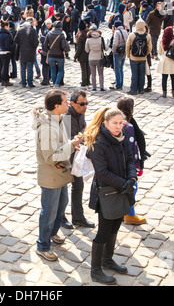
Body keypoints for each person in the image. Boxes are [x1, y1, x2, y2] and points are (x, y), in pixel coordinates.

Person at [84, 106, 137, 284]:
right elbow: (102, 172)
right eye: (114, 123)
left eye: (120, 123)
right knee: (104, 231)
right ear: (105, 124)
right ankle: (96, 270)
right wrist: (124, 183)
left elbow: (130, 158)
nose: (118, 126)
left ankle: (108, 259)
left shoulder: (121, 139)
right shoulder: (99, 143)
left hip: (122, 189)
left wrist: (132, 177)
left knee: (116, 226)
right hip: (107, 192)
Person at [31, 89, 82, 261]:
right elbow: (51, 156)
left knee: (61, 205)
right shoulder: (47, 128)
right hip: (51, 174)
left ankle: (52, 233)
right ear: (56, 106)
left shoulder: (59, 119)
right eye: (65, 101)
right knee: (50, 211)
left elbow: (61, 143)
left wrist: (71, 143)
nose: (68, 104)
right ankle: (43, 245)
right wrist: (72, 146)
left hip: (60, 173)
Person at [62, 90, 95, 229]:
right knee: (61, 190)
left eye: (86, 103)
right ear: (72, 103)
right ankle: (60, 217)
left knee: (78, 186)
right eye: (82, 104)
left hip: (77, 157)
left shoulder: (81, 114)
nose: (85, 106)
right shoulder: (66, 117)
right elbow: (67, 140)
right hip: (65, 158)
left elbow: (83, 131)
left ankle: (78, 217)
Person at [116, 97, 148, 225]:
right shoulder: (128, 127)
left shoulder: (115, 122)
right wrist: (137, 164)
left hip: (117, 162)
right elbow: (131, 148)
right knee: (132, 187)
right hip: (127, 163)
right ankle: (129, 214)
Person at [126, 19, 152, 95]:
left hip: (133, 57)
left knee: (134, 73)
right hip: (143, 58)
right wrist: (145, 54)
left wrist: (128, 55)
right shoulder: (147, 36)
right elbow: (150, 48)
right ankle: (141, 89)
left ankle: (134, 89)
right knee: (142, 74)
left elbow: (127, 46)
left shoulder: (132, 35)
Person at [157, 26, 174, 98]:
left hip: (164, 60)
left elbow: (160, 53)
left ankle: (164, 93)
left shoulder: (162, 41)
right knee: (173, 77)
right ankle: (173, 93)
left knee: (164, 77)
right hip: (172, 60)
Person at [44, 21, 70, 88]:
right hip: (59, 55)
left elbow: (45, 44)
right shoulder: (61, 35)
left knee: (53, 70)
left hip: (51, 55)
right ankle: (56, 83)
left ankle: (54, 83)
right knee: (60, 70)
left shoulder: (49, 33)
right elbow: (64, 46)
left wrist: (49, 48)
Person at [14, 17, 38, 88]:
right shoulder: (33, 31)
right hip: (30, 52)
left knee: (23, 68)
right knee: (30, 68)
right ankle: (30, 83)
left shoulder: (20, 30)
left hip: (22, 51)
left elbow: (16, 40)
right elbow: (36, 43)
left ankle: (23, 83)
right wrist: (33, 48)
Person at [85, 24, 105, 92]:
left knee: (93, 74)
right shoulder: (101, 38)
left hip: (91, 57)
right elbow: (105, 48)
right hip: (100, 57)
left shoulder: (88, 39)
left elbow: (86, 50)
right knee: (100, 74)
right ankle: (101, 87)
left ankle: (94, 88)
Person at [110, 20, 128, 91]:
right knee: (121, 68)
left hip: (118, 52)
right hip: (124, 52)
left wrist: (113, 51)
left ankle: (118, 85)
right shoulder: (125, 31)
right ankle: (121, 83)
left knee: (117, 69)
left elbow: (115, 43)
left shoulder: (117, 32)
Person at [0, 20, 14, 86]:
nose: (9, 27)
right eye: (8, 26)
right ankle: (5, 80)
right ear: (6, 26)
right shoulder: (7, 34)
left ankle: (3, 80)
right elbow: (7, 45)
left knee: (3, 67)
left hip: (1, 51)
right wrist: (12, 48)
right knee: (5, 67)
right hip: (6, 52)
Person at [74, 21, 90, 87]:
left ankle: (84, 81)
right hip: (89, 54)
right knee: (87, 68)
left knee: (83, 69)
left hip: (82, 55)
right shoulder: (88, 34)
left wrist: (75, 56)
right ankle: (88, 81)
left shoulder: (81, 36)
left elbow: (79, 48)